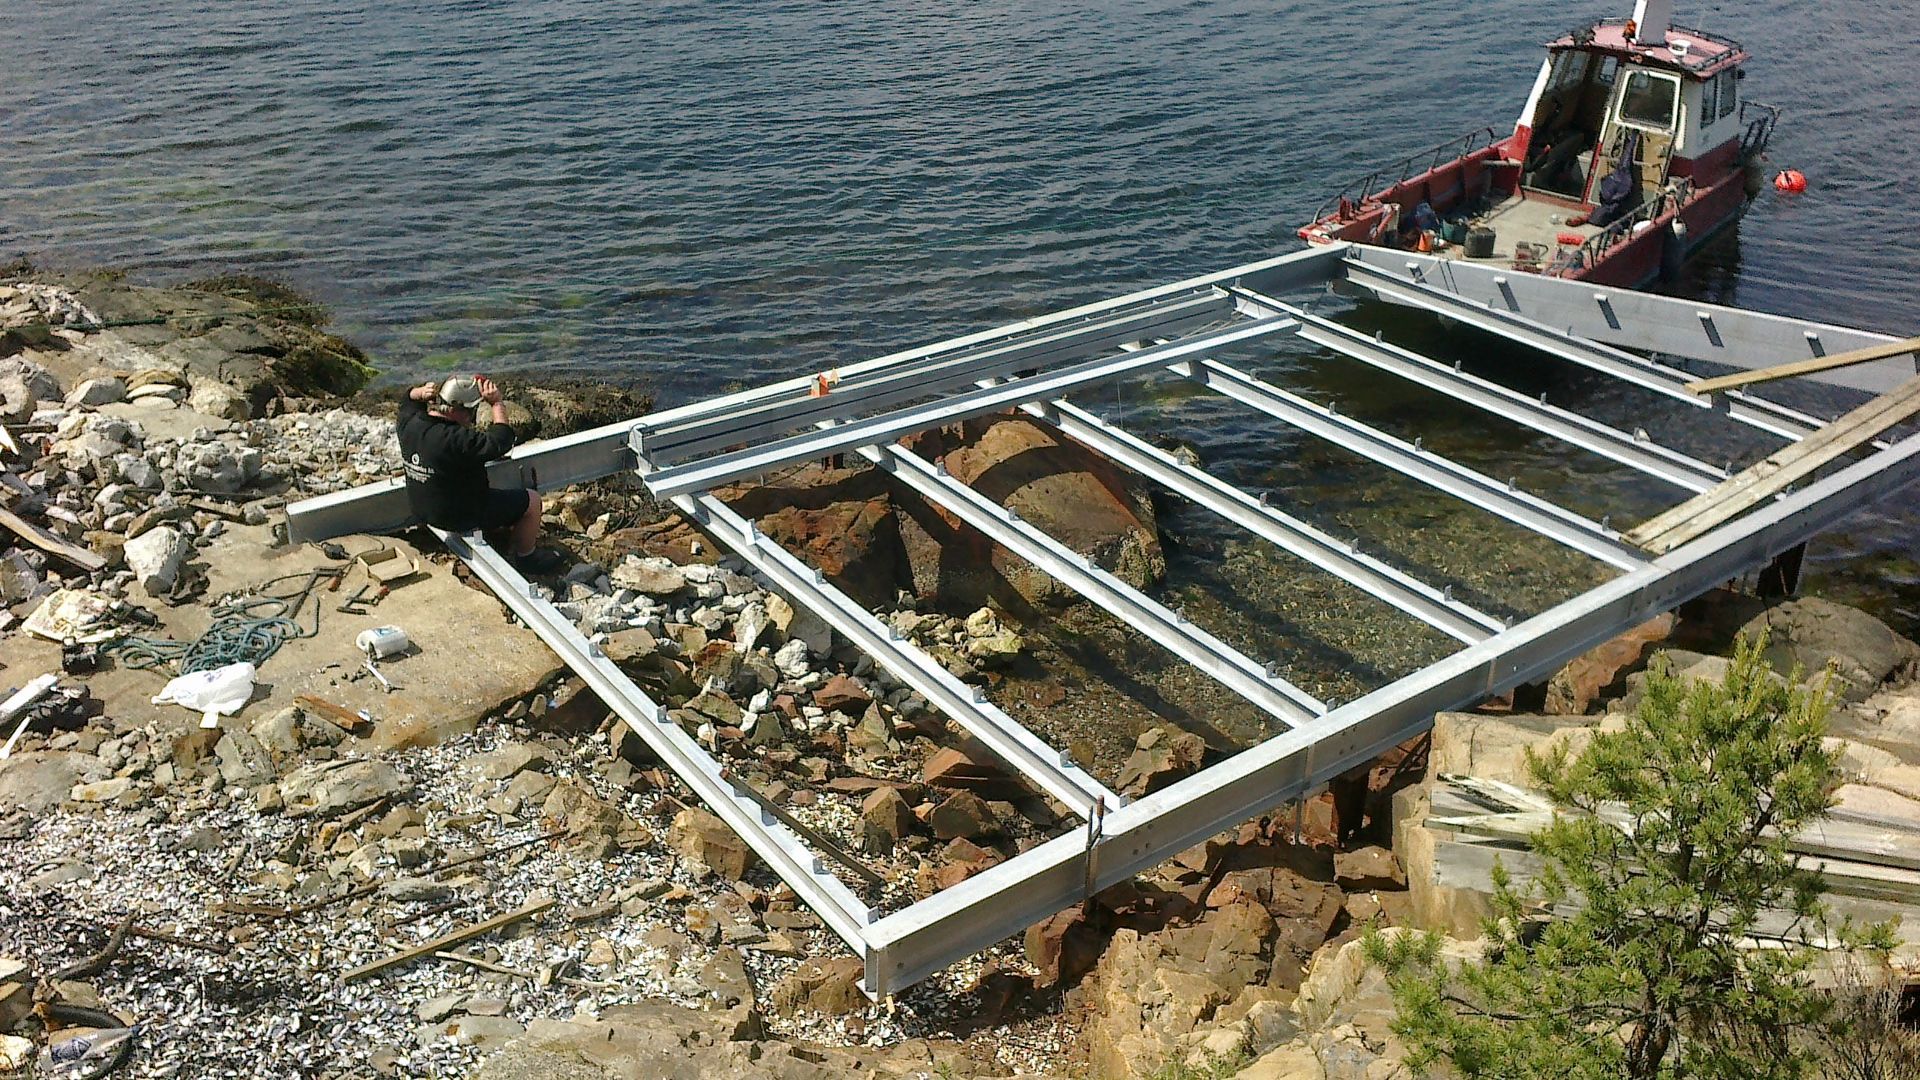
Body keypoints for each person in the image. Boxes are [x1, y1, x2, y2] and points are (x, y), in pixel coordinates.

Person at [397, 375, 562, 572]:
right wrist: (497, 404)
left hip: (422, 510)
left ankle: (499, 529)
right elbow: (501, 440)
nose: (471, 417)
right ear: (458, 409)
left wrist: (419, 392)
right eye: (470, 411)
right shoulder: (458, 439)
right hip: (458, 516)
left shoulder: (409, 423)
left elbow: (407, 399)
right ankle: (527, 557)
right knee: (532, 501)